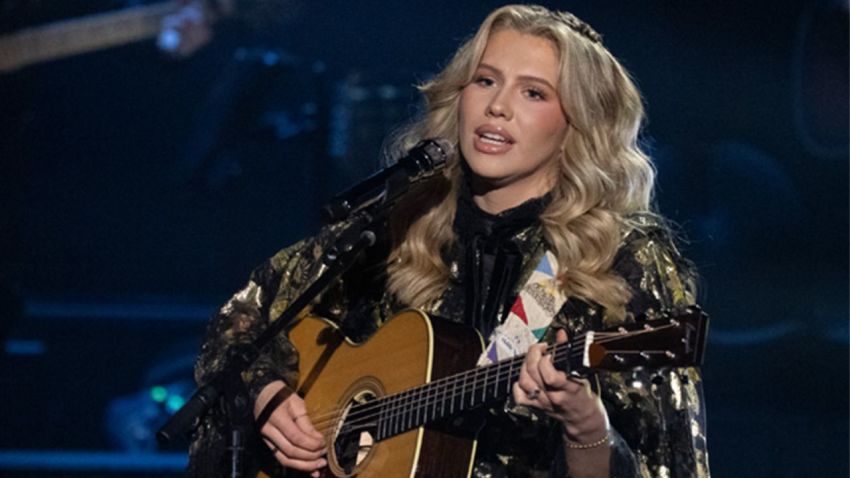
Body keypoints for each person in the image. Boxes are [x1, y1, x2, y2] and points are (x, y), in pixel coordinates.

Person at [188, 4, 709, 477]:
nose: (497, 107)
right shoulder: (400, 222)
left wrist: (584, 424)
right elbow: (246, 317)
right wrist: (270, 396)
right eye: (485, 81)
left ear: (578, 123)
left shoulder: (623, 257)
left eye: (533, 92)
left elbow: (664, 461)